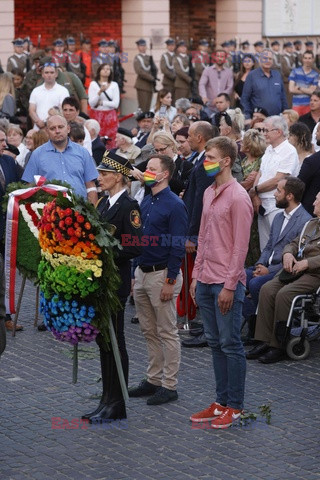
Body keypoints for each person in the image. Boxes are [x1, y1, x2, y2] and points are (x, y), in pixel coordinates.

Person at [189, 136, 253, 429]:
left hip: (226, 282)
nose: (205, 162)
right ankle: (221, 401)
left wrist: (229, 286)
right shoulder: (207, 192)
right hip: (205, 279)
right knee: (215, 343)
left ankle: (235, 406)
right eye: (204, 157)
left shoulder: (238, 197)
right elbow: (203, 237)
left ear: (226, 161)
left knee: (230, 344)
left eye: (211, 157)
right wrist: (195, 275)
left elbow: (240, 247)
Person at [82, 151, 142, 423]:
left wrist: (103, 253)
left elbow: (134, 245)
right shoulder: (105, 204)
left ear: (118, 176)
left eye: (105, 174)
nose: (100, 178)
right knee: (103, 340)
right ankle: (107, 398)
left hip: (115, 282)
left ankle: (117, 403)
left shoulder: (129, 206)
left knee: (115, 340)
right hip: (100, 281)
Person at [129, 153, 188, 405]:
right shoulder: (145, 201)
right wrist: (135, 273)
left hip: (163, 274)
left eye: (152, 168)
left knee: (167, 332)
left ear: (165, 174)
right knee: (148, 331)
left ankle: (169, 385)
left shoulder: (175, 205)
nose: (147, 171)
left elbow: (178, 246)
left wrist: (170, 281)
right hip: (143, 273)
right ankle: (153, 379)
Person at [246, 191, 320, 364]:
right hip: (293, 268)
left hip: (313, 274)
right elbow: (294, 243)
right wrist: (287, 254)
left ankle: (278, 344)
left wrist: (308, 263)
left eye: (317, 200)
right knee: (267, 289)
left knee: (284, 295)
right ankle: (264, 340)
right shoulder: (311, 223)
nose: (314, 202)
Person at [244, 177, 312, 342]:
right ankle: (254, 319)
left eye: (278, 191)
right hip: (267, 266)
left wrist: (269, 271)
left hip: (284, 271)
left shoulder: (305, 221)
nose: (274, 194)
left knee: (255, 284)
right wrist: (260, 263)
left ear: (289, 196)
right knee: (238, 276)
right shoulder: (278, 217)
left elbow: (298, 256)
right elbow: (268, 247)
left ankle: (259, 330)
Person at [249, 115, 300, 251]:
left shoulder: (289, 151)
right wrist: (254, 195)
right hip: (261, 203)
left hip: (277, 205)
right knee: (264, 247)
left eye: (267, 130)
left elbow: (279, 179)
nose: (264, 134)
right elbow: (260, 172)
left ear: (278, 132)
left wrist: (255, 190)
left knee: (278, 246)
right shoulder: (268, 149)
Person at [22, 115, 98, 203]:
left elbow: (91, 187)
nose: (57, 131)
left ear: (68, 129)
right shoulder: (37, 154)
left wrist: (93, 213)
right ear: (47, 131)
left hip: (80, 212)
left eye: (61, 127)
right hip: (48, 212)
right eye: (52, 128)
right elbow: (29, 187)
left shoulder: (83, 152)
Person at [240, 129, 266, 265]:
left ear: (249, 146)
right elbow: (240, 184)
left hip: (254, 209)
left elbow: (255, 184)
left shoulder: (261, 162)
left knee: (255, 242)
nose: (240, 144)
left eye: (243, 142)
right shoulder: (242, 161)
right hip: (242, 207)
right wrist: (245, 183)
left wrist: (249, 184)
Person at [241, 49, 288, 122]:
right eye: (265, 58)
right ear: (260, 60)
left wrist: (286, 113)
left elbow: (283, 97)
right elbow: (245, 98)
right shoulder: (252, 76)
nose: (268, 61)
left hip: (277, 119)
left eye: (270, 59)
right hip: (258, 120)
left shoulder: (277, 75)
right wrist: (247, 116)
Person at [28, 61, 69, 130]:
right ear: (42, 74)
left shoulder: (63, 91)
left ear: (56, 74)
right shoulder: (36, 91)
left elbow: (61, 109)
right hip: (38, 129)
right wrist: (38, 121)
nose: (49, 75)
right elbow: (31, 110)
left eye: (52, 72)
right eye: (46, 72)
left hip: (55, 129)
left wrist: (47, 123)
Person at [88, 63, 120, 147]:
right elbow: (91, 103)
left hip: (110, 115)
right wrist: (99, 92)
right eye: (103, 69)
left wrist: (102, 102)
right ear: (99, 71)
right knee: (95, 137)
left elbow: (115, 104)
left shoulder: (114, 85)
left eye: (108, 69)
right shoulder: (93, 84)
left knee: (110, 138)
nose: (106, 70)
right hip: (96, 114)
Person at [199, 50, 233, 114]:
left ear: (225, 58)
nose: (220, 58)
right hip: (209, 106)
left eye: (222, 56)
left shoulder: (229, 72)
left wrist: (219, 98)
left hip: (223, 107)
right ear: (214, 57)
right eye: (218, 56)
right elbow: (202, 84)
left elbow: (230, 87)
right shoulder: (207, 70)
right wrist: (204, 96)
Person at [289, 52, 319, 116]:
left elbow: (312, 92)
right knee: (295, 124)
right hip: (296, 105)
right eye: (305, 58)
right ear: (302, 59)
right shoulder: (295, 72)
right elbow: (291, 89)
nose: (307, 60)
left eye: (309, 58)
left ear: (313, 60)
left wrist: (299, 88)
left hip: (309, 105)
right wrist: (307, 90)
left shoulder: (315, 74)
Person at [298, 126, 320, 216]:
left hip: (310, 215)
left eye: (318, 131)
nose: (315, 133)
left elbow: (299, 187)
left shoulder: (312, 161)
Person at [133, 39, 155, 112]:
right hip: (142, 85)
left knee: (148, 107)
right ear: (138, 47)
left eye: (144, 46)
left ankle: (147, 122)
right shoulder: (137, 58)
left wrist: (154, 75)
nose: (143, 47)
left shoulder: (149, 57)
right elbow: (139, 71)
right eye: (141, 46)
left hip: (150, 85)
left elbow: (154, 68)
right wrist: (151, 77)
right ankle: (141, 122)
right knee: (143, 107)